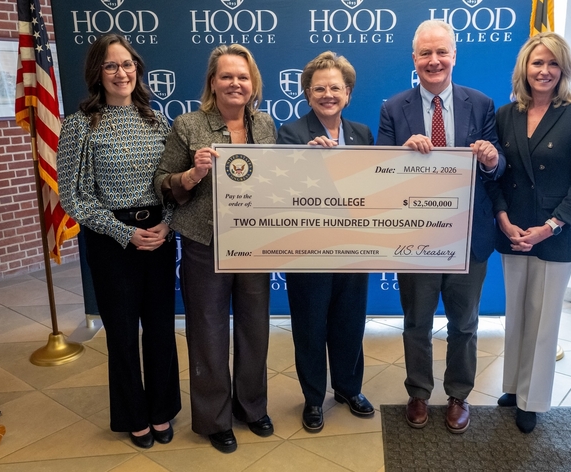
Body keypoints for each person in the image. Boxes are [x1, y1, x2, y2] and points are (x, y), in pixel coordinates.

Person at [376, 20, 505, 434]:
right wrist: (402, 153)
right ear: (414, 59)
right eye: (426, 53)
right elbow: (378, 172)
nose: (435, 61)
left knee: (465, 324)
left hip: (468, 236)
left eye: (442, 52)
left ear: (454, 56)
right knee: (417, 321)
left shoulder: (482, 104)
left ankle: (458, 395)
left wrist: (490, 158)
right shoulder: (393, 108)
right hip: (416, 236)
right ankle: (418, 392)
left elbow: (499, 167)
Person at [57, 34, 180, 449]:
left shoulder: (157, 120)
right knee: (123, 333)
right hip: (113, 242)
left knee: (161, 330)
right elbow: (72, 197)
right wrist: (124, 233)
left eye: (127, 64)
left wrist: (169, 225)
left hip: (160, 236)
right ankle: (134, 416)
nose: (121, 72)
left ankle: (162, 410)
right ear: (97, 72)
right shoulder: (79, 124)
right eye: (111, 66)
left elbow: (173, 186)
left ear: (137, 68)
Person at [153, 44, 276, 454]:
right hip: (205, 243)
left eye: (242, 77)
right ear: (212, 82)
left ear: (253, 83)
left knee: (255, 327)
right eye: (226, 76)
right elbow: (162, 181)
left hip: (254, 242)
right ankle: (214, 418)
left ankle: (251, 407)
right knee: (207, 331)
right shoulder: (189, 125)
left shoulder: (265, 126)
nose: (235, 83)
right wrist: (191, 174)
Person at [486, 32, 571, 433]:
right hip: (514, 231)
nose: (544, 70)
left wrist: (549, 228)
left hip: (555, 234)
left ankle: (532, 400)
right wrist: (502, 218)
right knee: (516, 315)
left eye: (553, 63)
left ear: (563, 69)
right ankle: (514, 386)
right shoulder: (505, 114)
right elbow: (495, 176)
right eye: (537, 63)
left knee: (543, 318)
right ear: (525, 68)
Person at [276, 51, 375, 433]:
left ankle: (349, 389)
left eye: (336, 87)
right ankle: (314, 398)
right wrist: (306, 160)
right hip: (308, 249)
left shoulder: (363, 134)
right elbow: (281, 192)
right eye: (319, 88)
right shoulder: (291, 133)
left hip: (353, 248)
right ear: (307, 93)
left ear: (348, 93)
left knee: (350, 322)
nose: (328, 94)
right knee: (311, 326)